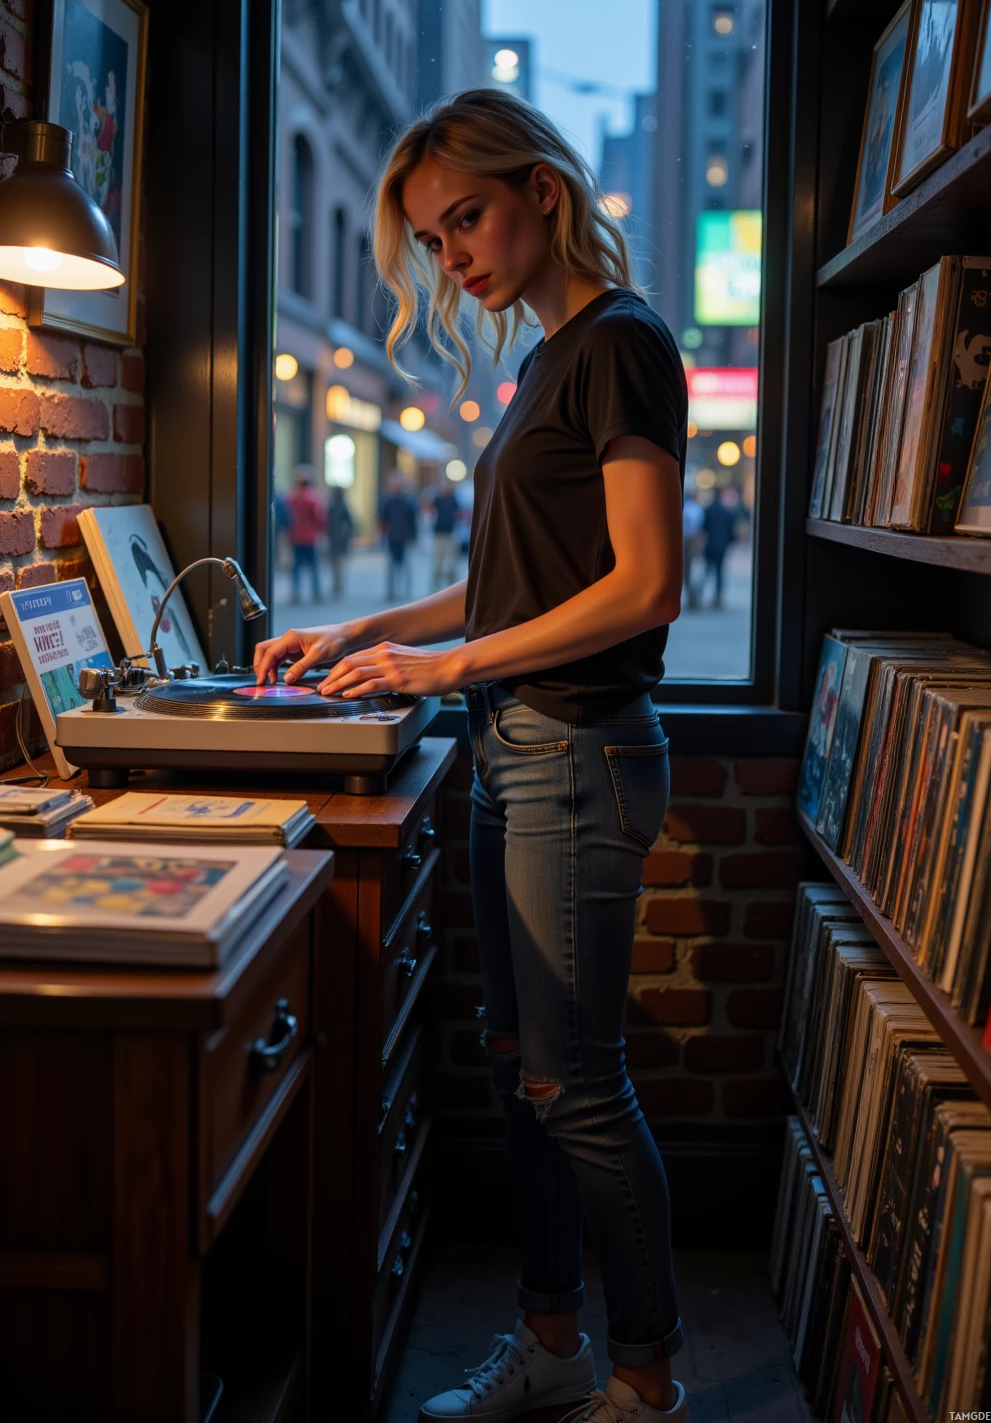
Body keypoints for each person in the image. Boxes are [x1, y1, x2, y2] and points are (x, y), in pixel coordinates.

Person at [254, 88, 690, 1423]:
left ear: (542, 192)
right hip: (520, 752)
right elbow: (512, 579)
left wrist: (444, 669)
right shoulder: (552, 359)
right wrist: (372, 627)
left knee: (580, 1084)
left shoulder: (618, 343)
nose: (455, 258)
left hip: (575, 752)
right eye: (436, 240)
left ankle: (646, 1377)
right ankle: (554, 1347)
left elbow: (645, 586)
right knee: (525, 1068)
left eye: (468, 220)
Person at [286, 465, 327, 603]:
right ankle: (316, 592)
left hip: (295, 536)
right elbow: (319, 517)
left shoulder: (292, 497)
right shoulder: (313, 497)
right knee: (313, 566)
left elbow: (287, 517)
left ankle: (296, 592)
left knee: (296, 567)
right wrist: (321, 531)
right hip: (310, 537)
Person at [379, 469, 418, 600]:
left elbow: (413, 520)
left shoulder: (408, 500)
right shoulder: (387, 500)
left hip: (405, 537)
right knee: (391, 566)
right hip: (391, 537)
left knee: (406, 565)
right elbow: (382, 519)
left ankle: (407, 592)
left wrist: (414, 537)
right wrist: (382, 535)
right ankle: (391, 591)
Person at [700, 486, 736, 611]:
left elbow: (703, 528)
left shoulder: (708, 510)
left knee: (706, 571)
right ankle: (718, 598)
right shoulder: (727, 512)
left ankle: (699, 596)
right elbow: (732, 531)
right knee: (720, 572)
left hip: (709, 546)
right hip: (722, 546)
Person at [429, 478, 460, 588]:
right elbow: (430, 513)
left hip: (451, 534)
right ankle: (436, 585)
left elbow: (458, 514)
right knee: (438, 562)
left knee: (451, 562)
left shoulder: (454, 499)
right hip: (439, 534)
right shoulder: (437, 499)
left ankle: (452, 586)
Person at [327, 485, 355, 596]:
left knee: (336, 563)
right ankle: (337, 585)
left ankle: (337, 585)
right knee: (338, 563)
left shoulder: (334, 506)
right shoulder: (341, 506)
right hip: (338, 538)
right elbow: (350, 522)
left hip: (335, 538)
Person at [681, 492, 704, 610]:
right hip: (691, 541)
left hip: (684, 540)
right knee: (690, 570)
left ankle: (689, 596)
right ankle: (691, 597)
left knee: (686, 570)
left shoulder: (687, 508)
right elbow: (698, 529)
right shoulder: (696, 509)